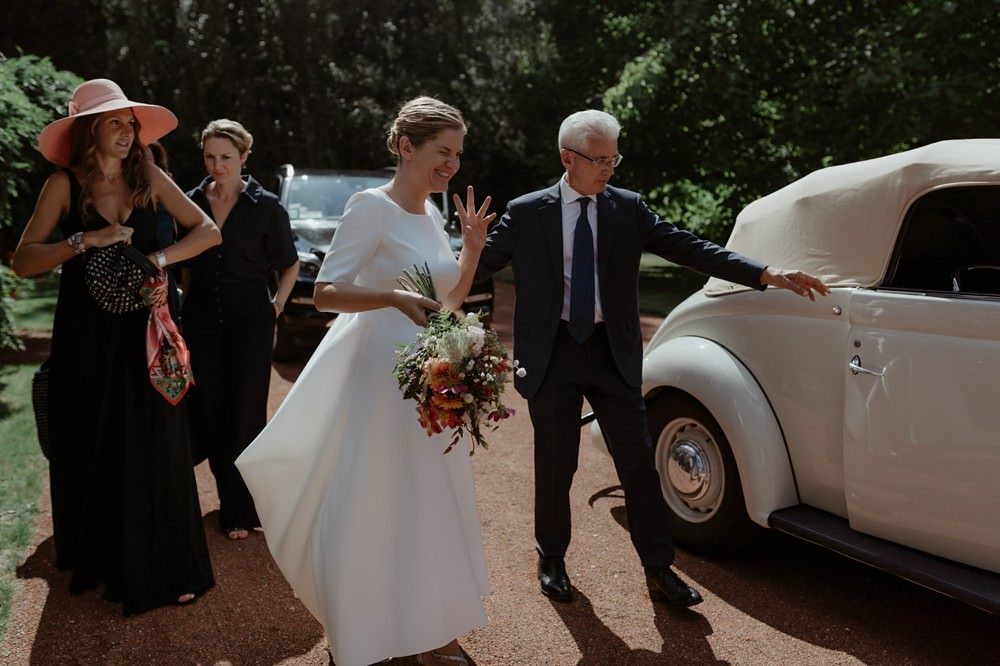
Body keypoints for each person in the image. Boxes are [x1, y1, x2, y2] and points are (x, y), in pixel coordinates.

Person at [475, 109, 830, 608]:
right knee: (557, 465)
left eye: (612, 158)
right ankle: (551, 556)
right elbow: (476, 266)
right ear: (566, 158)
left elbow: (690, 248)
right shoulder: (529, 211)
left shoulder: (628, 208)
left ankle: (659, 569)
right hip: (552, 351)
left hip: (612, 352)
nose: (608, 169)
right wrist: (420, 289)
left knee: (640, 466)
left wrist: (766, 272)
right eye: (597, 160)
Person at [235, 97, 495, 666]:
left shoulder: (432, 216)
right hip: (377, 376)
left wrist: (471, 252)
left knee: (428, 502)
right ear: (407, 147)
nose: (452, 164)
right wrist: (391, 297)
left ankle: (430, 631)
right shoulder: (368, 207)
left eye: (457, 154)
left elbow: (444, 305)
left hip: (424, 380)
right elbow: (325, 291)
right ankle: (362, 629)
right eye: (442, 151)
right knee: (374, 502)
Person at [11, 78, 221, 614]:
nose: (127, 132)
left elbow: (207, 232)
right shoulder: (64, 184)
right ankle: (102, 558)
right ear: (89, 130)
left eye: (131, 123)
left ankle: (163, 563)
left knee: (156, 440)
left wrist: (160, 261)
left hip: (148, 332)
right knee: (92, 435)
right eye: (115, 122)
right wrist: (84, 240)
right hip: (85, 336)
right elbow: (24, 259)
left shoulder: (149, 176)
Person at [182, 119, 299, 540]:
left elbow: (289, 264)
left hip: (251, 318)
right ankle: (229, 501)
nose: (218, 165)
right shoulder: (189, 202)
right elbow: (184, 267)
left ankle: (241, 509)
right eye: (210, 156)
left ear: (245, 156)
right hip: (200, 319)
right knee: (210, 411)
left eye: (226, 157)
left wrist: (278, 305)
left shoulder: (266, 206)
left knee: (246, 414)